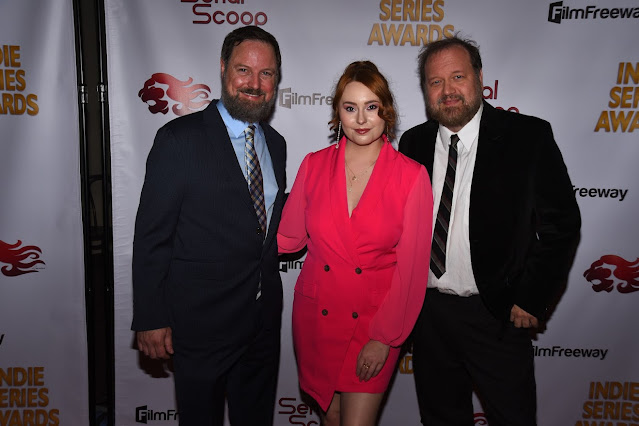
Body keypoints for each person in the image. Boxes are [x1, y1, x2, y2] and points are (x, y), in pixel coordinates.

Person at [398, 35, 581, 426]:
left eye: (458, 77)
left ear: (480, 78)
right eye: (435, 82)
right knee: (440, 419)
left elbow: (562, 225)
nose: (448, 90)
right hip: (428, 317)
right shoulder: (412, 143)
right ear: (425, 90)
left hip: (496, 315)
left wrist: (532, 297)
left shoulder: (527, 137)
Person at [131, 26, 287, 426]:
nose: (254, 84)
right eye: (243, 70)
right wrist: (150, 316)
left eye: (266, 73)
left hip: (262, 325)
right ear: (222, 69)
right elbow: (152, 236)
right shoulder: (178, 139)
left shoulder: (276, 144)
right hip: (200, 326)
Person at [278, 61, 433, 426]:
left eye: (371, 106)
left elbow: (411, 271)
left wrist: (385, 339)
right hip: (317, 318)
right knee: (331, 419)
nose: (361, 119)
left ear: (386, 111)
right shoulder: (313, 165)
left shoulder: (411, 176)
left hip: (373, 323)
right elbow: (287, 238)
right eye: (350, 108)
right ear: (338, 114)